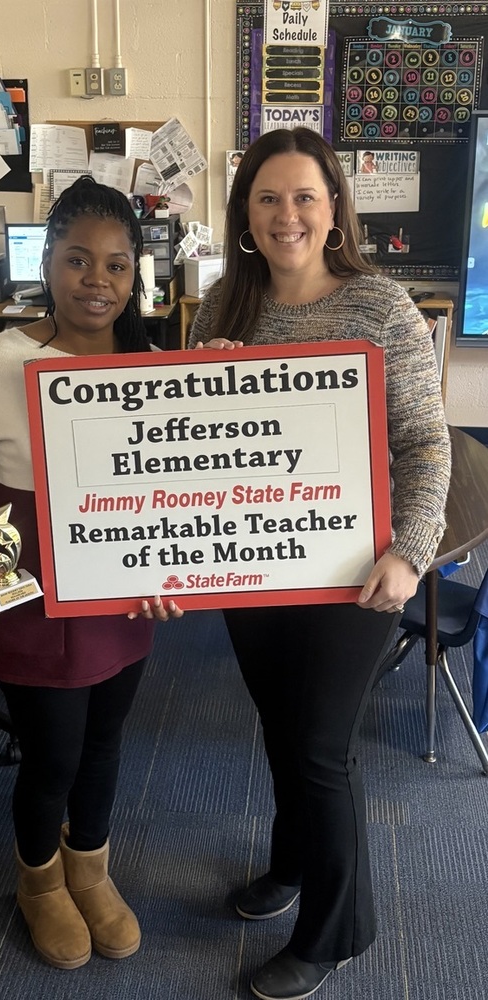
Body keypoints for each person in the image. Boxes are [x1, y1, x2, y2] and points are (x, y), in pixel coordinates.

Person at [189, 127, 450, 1000]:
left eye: (304, 196)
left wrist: (409, 554)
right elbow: (189, 450)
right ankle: (294, 862)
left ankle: (339, 930)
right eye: (267, 198)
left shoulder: (380, 308)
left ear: (334, 207)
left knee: (321, 749)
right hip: (250, 566)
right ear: (244, 214)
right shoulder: (222, 305)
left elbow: (424, 445)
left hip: (350, 568)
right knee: (280, 727)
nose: (286, 215)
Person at [0, 176, 183, 971]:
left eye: (115, 265)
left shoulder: (152, 366)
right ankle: (39, 885)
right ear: (48, 261)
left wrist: (180, 571)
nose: (95, 280)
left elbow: (180, 483)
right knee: (53, 757)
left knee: (105, 746)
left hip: (119, 600)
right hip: (29, 600)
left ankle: (89, 869)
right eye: (76, 260)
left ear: (137, 275)